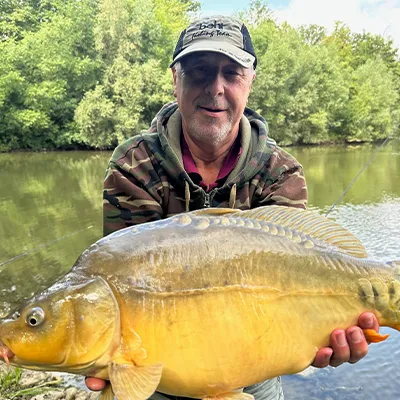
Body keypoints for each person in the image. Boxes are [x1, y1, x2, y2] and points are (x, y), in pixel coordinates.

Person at [87, 15, 380, 399]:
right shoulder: (135, 164)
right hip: (157, 363)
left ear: (250, 82)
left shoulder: (280, 171)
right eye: (200, 72)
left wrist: (325, 336)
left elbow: (301, 287)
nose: (216, 88)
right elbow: (121, 276)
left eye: (232, 73)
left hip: (254, 356)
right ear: (176, 80)